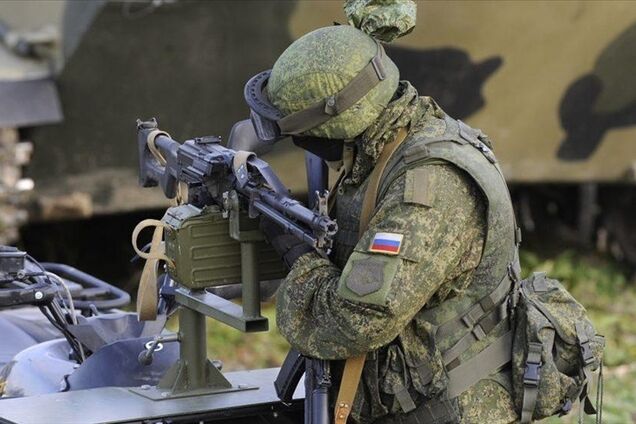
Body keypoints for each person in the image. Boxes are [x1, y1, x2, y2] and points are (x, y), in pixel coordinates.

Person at [247, 20, 521, 424]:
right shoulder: (385, 141)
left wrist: (297, 255)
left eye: (297, 130)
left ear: (336, 122)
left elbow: (355, 320)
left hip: (449, 411)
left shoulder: (428, 187)